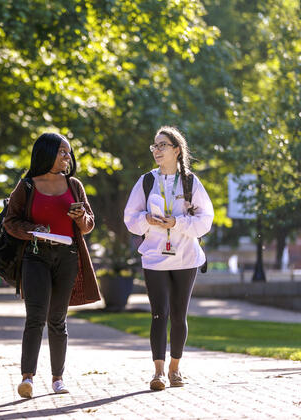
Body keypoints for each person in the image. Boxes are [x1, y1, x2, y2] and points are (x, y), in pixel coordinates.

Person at [3, 132, 100, 399]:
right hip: (35, 256)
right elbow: (10, 222)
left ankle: (58, 379)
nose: (68, 157)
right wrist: (34, 230)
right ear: (46, 153)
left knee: (58, 319)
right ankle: (27, 379)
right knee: (35, 318)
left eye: (69, 153)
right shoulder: (27, 187)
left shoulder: (74, 185)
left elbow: (89, 224)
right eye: (62, 152)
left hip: (67, 257)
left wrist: (81, 217)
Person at [123, 126, 214, 391]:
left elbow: (205, 220)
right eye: (154, 146)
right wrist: (146, 220)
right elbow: (130, 217)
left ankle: (175, 368)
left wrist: (178, 222)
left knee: (178, 315)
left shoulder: (190, 182)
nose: (156, 150)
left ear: (176, 150)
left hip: (186, 257)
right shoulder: (146, 181)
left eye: (162, 145)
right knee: (158, 314)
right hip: (154, 257)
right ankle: (159, 372)